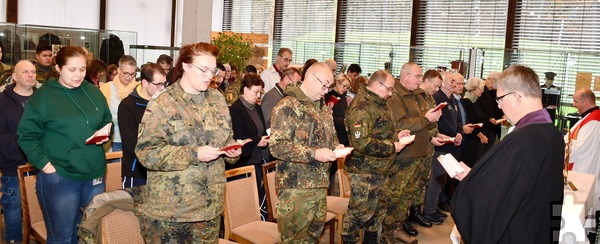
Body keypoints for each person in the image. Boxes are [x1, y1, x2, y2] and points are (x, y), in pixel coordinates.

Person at [135, 42, 241, 243]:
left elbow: (226, 137)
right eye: (203, 69)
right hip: (173, 213)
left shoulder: (217, 100)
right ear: (185, 65)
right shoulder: (164, 102)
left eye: (213, 70)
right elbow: (146, 152)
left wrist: (232, 149)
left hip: (209, 209)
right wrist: (194, 154)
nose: (210, 76)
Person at [452, 65, 564, 243]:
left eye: (500, 99)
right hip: (539, 229)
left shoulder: (520, 141)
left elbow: (492, 199)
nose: (499, 106)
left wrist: (470, 180)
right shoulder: (554, 134)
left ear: (517, 97)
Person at [18, 46, 112, 243]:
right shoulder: (44, 97)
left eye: (82, 69)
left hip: (93, 174)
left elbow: (106, 118)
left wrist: (105, 131)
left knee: (88, 235)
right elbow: (27, 136)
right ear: (59, 68)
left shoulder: (93, 92)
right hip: (60, 177)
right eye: (72, 70)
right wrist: (46, 165)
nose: (78, 75)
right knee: (62, 237)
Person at [269, 62, 343, 243]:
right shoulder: (287, 106)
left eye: (329, 86)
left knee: (312, 238)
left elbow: (331, 137)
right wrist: (314, 154)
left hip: (319, 186)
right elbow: (277, 146)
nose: (326, 91)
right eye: (324, 85)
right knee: (293, 240)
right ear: (310, 77)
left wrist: (337, 147)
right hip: (296, 190)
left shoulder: (323, 107)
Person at [342, 70, 411, 243]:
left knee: (377, 213)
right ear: (378, 85)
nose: (390, 94)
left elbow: (381, 132)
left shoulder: (379, 102)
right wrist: (392, 146)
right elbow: (362, 142)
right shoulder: (361, 107)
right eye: (388, 89)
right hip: (364, 171)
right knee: (358, 215)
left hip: (381, 169)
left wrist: (397, 136)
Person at [383, 62, 441, 243]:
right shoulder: (396, 95)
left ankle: (398, 228)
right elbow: (400, 124)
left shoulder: (416, 95)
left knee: (406, 196)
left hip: (417, 153)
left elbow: (421, 121)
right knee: (396, 196)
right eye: (417, 76)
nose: (420, 80)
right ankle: (387, 233)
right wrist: (426, 118)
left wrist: (430, 119)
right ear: (405, 75)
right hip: (403, 156)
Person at [0, 60, 36, 244]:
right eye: (25, 72)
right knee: (13, 207)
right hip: (12, 164)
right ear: (14, 76)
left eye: (33, 71)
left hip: (41, 164)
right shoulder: (3, 100)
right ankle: (13, 239)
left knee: (37, 206)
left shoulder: (42, 98)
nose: (30, 75)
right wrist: (26, 154)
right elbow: (2, 134)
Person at [118, 63, 166, 188]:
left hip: (161, 171)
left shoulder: (164, 104)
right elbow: (131, 143)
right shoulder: (128, 105)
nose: (162, 89)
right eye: (158, 85)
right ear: (145, 83)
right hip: (137, 172)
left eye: (164, 84)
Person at [229, 73, 270, 219]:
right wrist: (257, 140)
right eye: (255, 92)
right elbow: (238, 135)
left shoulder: (257, 108)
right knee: (244, 199)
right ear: (245, 89)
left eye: (260, 92)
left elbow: (261, 130)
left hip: (257, 158)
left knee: (256, 195)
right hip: (244, 160)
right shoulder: (236, 109)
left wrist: (264, 137)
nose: (258, 96)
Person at [100, 55, 139, 152]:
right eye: (126, 73)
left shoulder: (139, 88)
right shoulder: (106, 88)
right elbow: (102, 116)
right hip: (113, 139)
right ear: (118, 70)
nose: (129, 77)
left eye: (132, 74)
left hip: (134, 139)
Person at [567, 88, 600, 205]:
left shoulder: (593, 121)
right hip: (583, 170)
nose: (573, 104)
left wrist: (559, 145)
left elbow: (578, 149)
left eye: (576, 101)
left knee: (580, 211)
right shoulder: (590, 117)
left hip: (583, 172)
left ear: (586, 102)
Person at [460, 77, 488, 167]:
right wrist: (481, 135)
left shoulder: (475, 101)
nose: (482, 91)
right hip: (471, 139)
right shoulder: (466, 101)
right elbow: (471, 121)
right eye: (481, 89)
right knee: (469, 164)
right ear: (474, 89)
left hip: (476, 138)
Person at [475, 71, 504, 153]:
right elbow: (479, 110)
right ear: (491, 79)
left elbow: (497, 106)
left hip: (494, 127)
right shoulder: (482, 91)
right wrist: (489, 118)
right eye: (498, 82)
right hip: (484, 127)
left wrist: (502, 115)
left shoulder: (495, 91)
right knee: (483, 152)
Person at [325, 73, 352, 146]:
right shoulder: (327, 96)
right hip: (335, 133)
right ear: (337, 82)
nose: (345, 89)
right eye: (344, 86)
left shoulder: (343, 97)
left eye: (347, 88)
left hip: (343, 132)